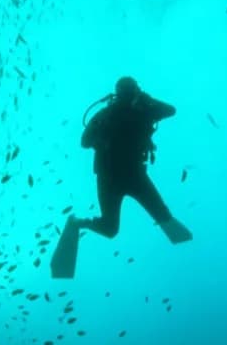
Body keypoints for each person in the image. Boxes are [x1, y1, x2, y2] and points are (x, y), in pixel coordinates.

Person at [68, 76, 192, 244]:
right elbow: (84, 141)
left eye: (130, 92)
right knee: (111, 229)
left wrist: (147, 100)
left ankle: (79, 223)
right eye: (126, 92)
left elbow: (171, 110)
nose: (127, 97)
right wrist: (102, 138)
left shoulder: (144, 110)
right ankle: (77, 223)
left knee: (161, 216)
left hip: (133, 176)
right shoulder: (107, 114)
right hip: (110, 177)